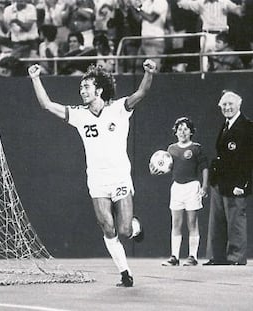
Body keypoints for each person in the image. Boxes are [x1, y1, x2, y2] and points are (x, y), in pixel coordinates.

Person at [28, 59, 157, 287]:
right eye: (81, 88)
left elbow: (142, 92)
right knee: (108, 227)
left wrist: (149, 72)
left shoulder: (119, 109)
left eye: (86, 87)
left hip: (119, 176)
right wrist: (35, 78)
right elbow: (47, 104)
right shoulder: (79, 115)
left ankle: (135, 227)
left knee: (125, 230)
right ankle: (125, 273)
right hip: (97, 179)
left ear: (99, 89)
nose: (82, 91)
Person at [150, 117, 208, 266]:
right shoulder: (171, 149)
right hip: (177, 188)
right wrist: (156, 170)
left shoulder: (196, 148)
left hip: (192, 187)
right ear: (175, 132)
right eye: (179, 129)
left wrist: (204, 186)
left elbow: (204, 168)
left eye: (185, 129)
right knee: (176, 222)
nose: (182, 132)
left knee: (192, 222)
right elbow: (167, 168)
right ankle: (174, 257)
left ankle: (192, 257)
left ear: (191, 132)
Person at [204, 90, 253, 266]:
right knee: (217, 221)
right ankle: (217, 257)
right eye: (224, 105)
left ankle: (235, 258)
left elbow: (249, 159)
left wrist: (243, 184)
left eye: (230, 104)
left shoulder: (247, 126)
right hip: (220, 181)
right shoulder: (225, 125)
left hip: (235, 182)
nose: (227, 107)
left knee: (235, 220)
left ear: (238, 105)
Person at [177, 0, 244, 72]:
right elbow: (183, 3)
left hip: (221, 36)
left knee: (221, 59)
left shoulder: (225, 2)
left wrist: (243, 6)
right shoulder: (200, 3)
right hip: (207, 36)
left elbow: (238, 11)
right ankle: (204, 77)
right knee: (205, 62)